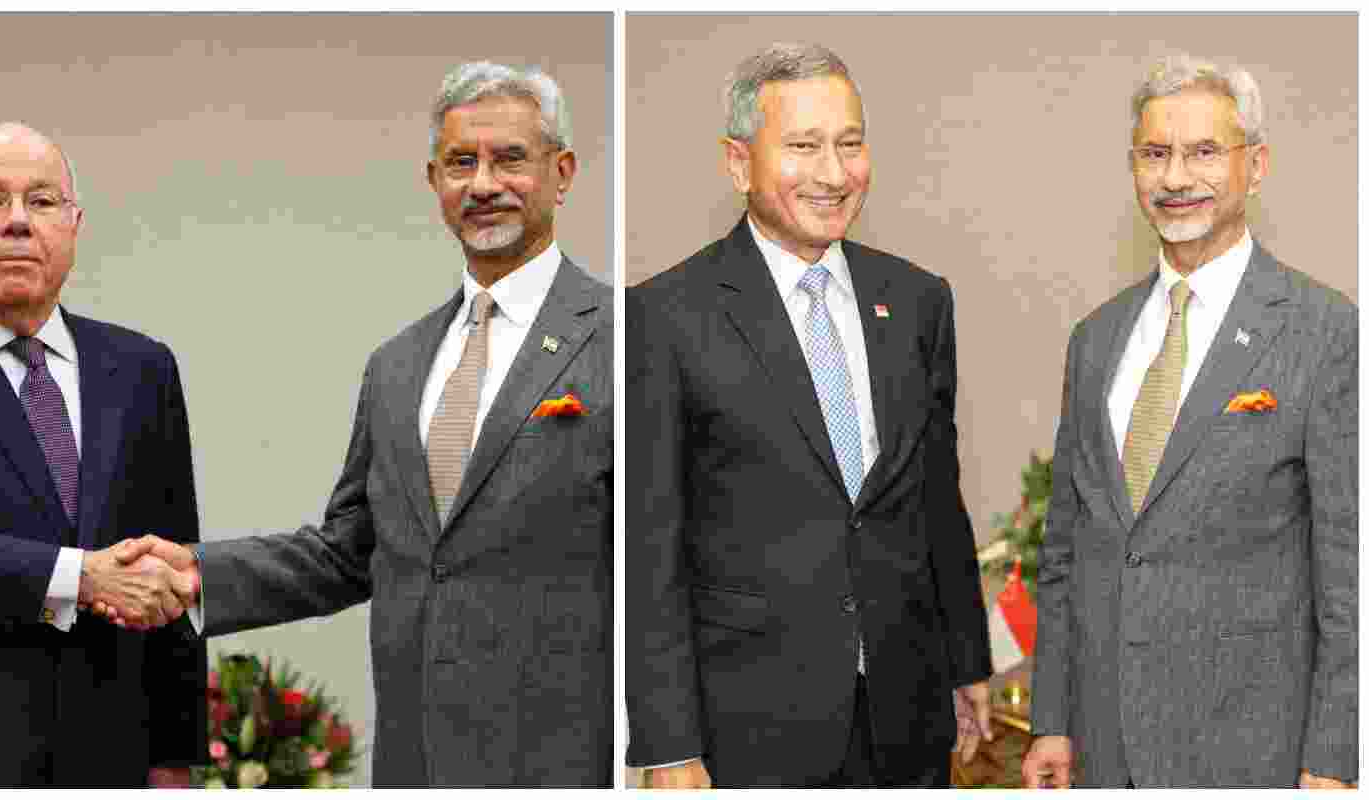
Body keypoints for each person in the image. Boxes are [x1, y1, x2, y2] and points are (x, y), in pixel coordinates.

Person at [105, 62, 613, 788]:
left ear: (562, 173)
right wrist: (195, 572)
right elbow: (352, 551)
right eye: (461, 162)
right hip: (415, 764)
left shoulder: (630, 340)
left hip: (572, 764)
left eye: (511, 159)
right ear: (433, 179)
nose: (483, 184)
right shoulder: (397, 366)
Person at [625, 42, 992, 788]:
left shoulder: (919, 300)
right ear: (738, 162)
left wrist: (965, 665)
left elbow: (936, 500)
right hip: (748, 726)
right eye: (803, 146)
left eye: (850, 145)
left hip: (907, 713)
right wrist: (668, 746)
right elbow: (647, 550)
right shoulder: (664, 317)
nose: (833, 173)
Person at [1022, 55, 1357, 789]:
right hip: (1103, 746)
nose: (1176, 178)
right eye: (1156, 154)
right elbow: (1067, 550)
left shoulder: (1325, 332)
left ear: (1256, 165)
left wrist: (1335, 760)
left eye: (1205, 152)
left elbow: (1350, 572)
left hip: (1256, 749)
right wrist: (1051, 719)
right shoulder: (1096, 339)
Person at [0, 122, 206, 787]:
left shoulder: (142, 369)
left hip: (109, 751)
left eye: (43, 201)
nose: (19, 223)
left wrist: (176, 756)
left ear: (75, 227)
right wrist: (78, 577)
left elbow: (173, 565)